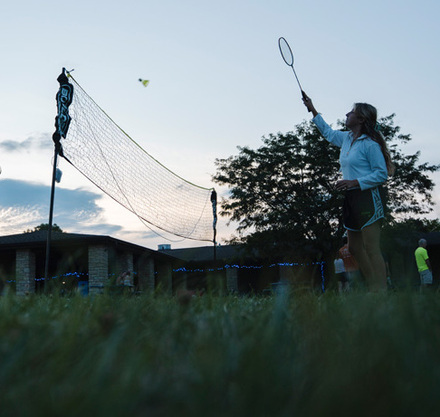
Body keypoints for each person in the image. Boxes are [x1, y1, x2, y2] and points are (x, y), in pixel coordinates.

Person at [303, 95, 394, 291]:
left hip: (369, 197)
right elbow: (327, 133)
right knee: (353, 248)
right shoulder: (346, 138)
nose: (347, 114)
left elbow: (381, 174)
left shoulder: (370, 144)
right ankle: (373, 286)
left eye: (351, 112)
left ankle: (380, 291)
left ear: (361, 119)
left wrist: (354, 181)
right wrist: (312, 109)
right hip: (351, 198)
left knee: (371, 248)